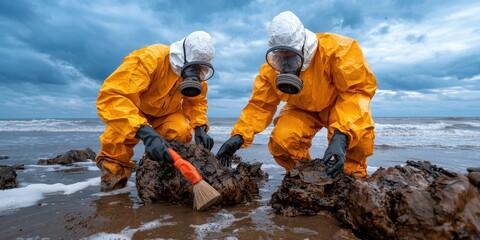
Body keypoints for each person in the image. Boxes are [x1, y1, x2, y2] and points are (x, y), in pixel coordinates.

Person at [216, 11, 377, 178]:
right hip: (302, 108)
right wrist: (238, 136)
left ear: (302, 47)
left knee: (358, 139)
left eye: (291, 57)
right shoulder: (271, 70)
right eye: (280, 56)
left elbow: (356, 92)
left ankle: (352, 177)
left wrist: (341, 137)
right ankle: (305, 175)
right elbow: (260, 105)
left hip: (340, 104)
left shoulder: (338, 50)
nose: (285, 63)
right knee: (282, 141)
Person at [96, 31, 215, 191]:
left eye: (201, 68)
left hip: (166, 115)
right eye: (195, 67)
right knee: (115, 148)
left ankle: (155, 171)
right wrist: (145, 132)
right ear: (184, 56)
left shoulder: (197, 77)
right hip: (134, 111)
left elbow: (196, 103)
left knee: (180, 131)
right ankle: (113, 194)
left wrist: (200, 127)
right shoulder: (150, 58)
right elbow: (112, 96)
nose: (197, 72)